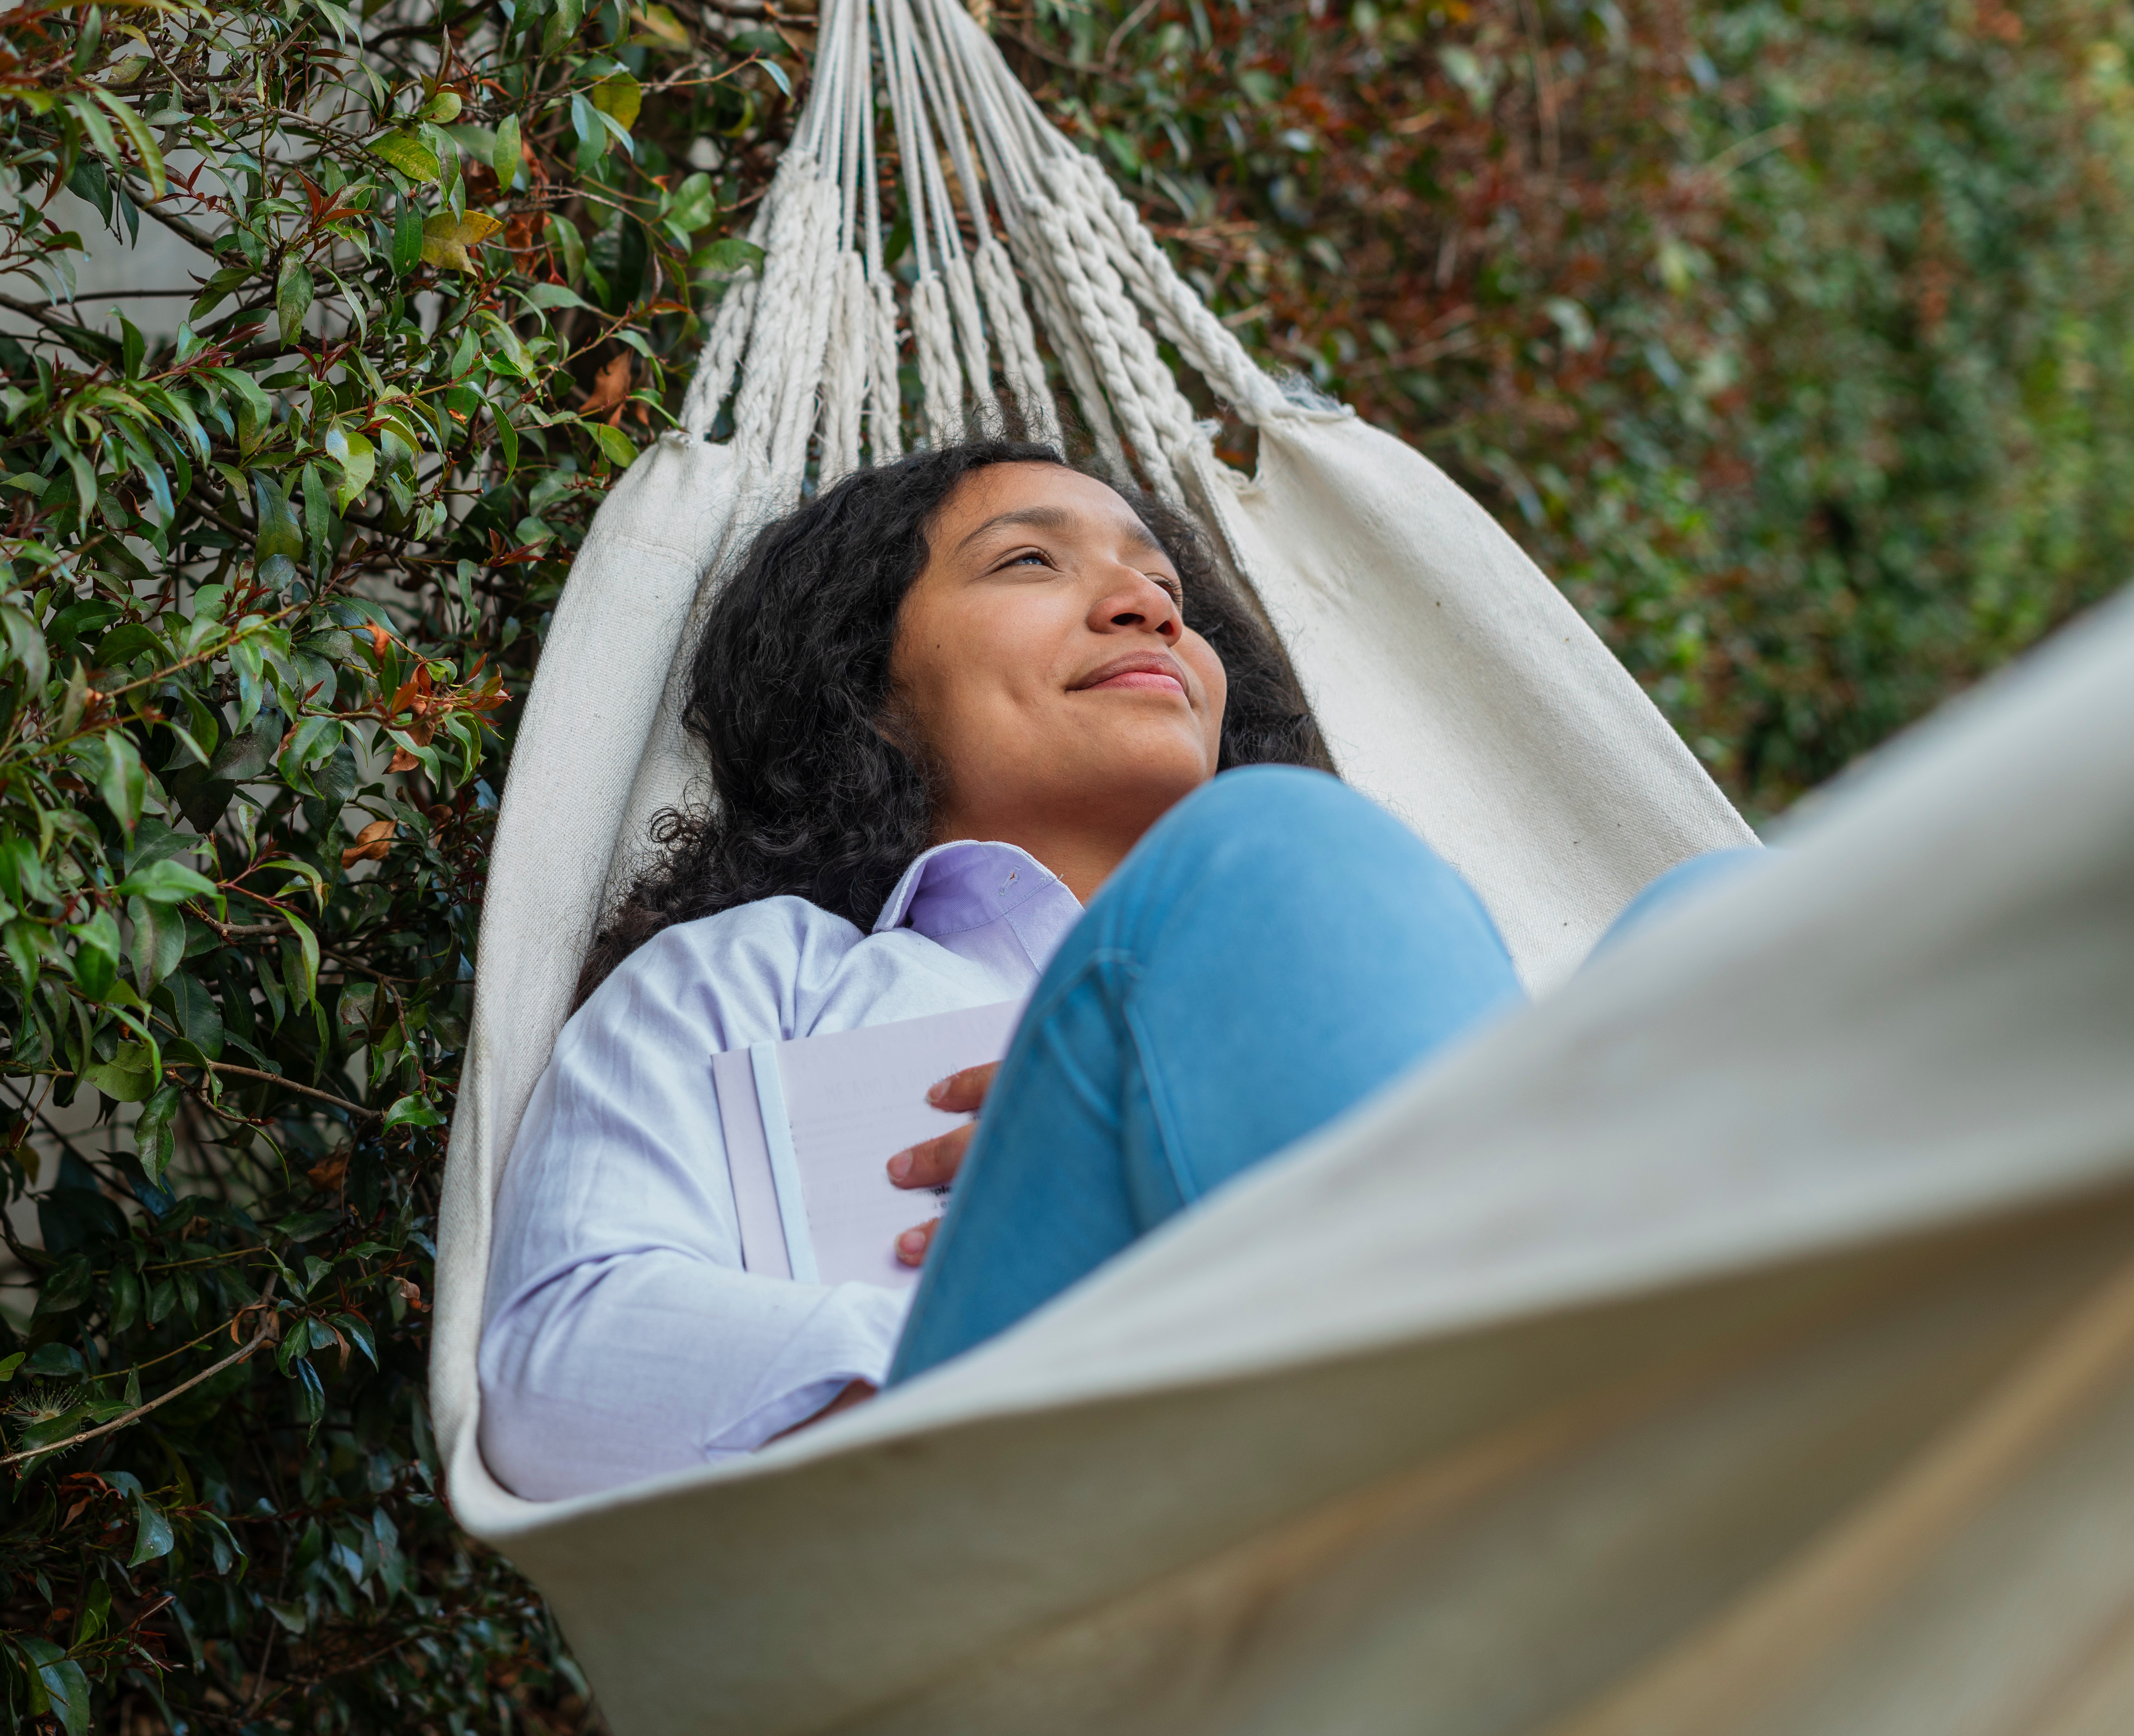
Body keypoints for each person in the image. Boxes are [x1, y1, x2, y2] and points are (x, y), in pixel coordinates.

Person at [477, 438, 1748, 1501]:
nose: (1149, 606)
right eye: (1028, 562)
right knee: (1292, 851)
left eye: (1165, 588)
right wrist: (1065, 1281)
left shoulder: (1369, 963)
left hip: (1527, 1410)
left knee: (1722, 922)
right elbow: (561, 1373)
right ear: (868, 687)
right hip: (1089, 1536)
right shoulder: (752, 979)